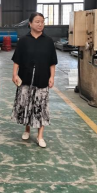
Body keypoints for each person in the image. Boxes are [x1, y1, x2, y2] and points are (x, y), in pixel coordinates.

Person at [11, 12, 58, 148]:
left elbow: (52, 62)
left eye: (42, 22)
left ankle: (40, 136)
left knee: (41, 107)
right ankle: (27, 129)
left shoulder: (48, 41)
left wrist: (52, 77)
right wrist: (14, 74)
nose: (40, 24)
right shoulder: (23, 41)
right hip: (25, 78)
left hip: (42, 78)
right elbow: (17, 60)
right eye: (37, 21)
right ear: (30, 24)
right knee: (26, 105)